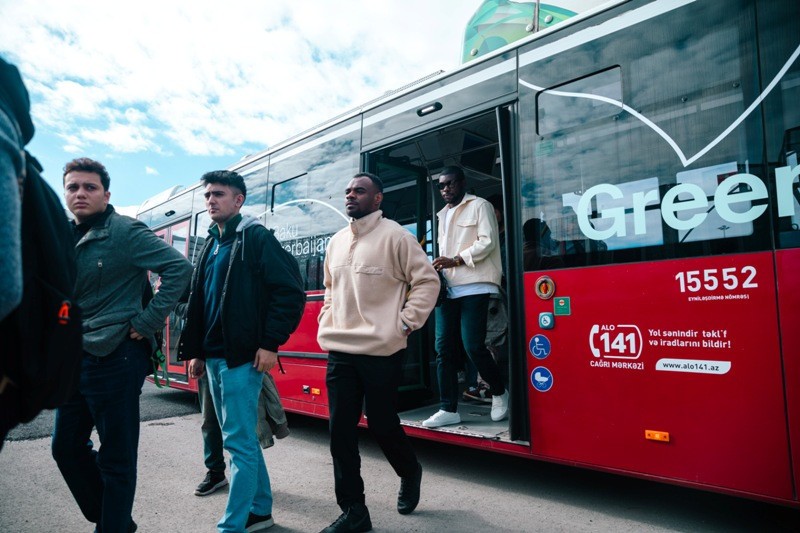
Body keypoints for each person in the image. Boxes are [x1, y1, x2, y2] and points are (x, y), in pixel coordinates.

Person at [52, 157, 192, 533]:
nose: (80, 193)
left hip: (116, 356)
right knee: (64, 448)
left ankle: (111, 527)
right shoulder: (62, 236)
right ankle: (116, 522)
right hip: (73, 359)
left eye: (89, 187)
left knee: (117, 458)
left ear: (106, 193)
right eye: (73, 187)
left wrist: (147, 321)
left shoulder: (125, 232)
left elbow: (179, 269)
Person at [178, 170, 305, 533]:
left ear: (239, 200)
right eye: (207, 196)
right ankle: (260, 512)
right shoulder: (211, 244)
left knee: (238, 442)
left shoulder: (256, 238)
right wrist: (196, 351)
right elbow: (199, 302)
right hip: (214, 357)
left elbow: (289, 293)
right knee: (242, 439)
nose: (210, 201)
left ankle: (231, 526)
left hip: (242, 358)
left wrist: (270, 343)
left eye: (218, 194)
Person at [317, 172, 439, 533]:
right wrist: (328, 313)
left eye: (360, 190)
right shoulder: (337, 241)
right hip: (340, 348)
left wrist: (404, 323)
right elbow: (328, 286)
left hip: (382, 350)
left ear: (378, 199)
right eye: (348, 190)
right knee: (340, 432)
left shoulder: (397, 237)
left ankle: (409, 471)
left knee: (383, 424)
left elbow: (428, 281)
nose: (350, 195)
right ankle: (355, 511)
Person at [423, 166, 509, 428]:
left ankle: (498, 391)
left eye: (450, 183)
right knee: (443, 350)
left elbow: (488, 242)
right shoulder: (442, 215)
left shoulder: (479, 205)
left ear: (463, 183)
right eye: (441, 185)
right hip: (448, 288)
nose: (445, 189)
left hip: (476, 285)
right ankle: (448, 408)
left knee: (473, 346)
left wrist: (456, 260)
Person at [194, 371, 290, 497]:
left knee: (243, 426)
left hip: (237, 364)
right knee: (210, 421)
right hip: (209, 363)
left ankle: (250, 481)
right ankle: (216, 473)